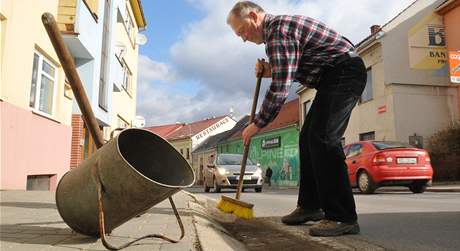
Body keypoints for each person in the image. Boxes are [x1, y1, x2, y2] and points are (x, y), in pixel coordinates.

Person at [227, 1, 366, 237]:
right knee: (307, 138)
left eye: (242, 31)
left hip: (345, 72)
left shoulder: (278, 32)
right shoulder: (279, 31)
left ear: (253, 16)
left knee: (323, 139)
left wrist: (257, 124)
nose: (242, 38)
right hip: (336, 75)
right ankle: (311, 206)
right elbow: (292, 67)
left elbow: (280, 88)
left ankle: (343, 217)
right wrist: (272, 69)